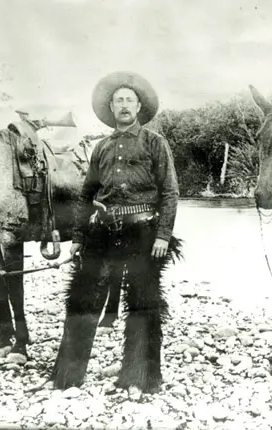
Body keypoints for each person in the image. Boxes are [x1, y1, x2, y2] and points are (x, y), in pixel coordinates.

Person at [50, 71, 180, 393]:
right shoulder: (101, 148)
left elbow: (170, 192)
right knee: (80, 300)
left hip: (144, 233)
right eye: (118, 100)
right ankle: (67, 377)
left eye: (129, 100)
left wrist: (163, 235)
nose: (123, 105)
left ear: (138, 107)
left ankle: (140, 378)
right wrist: (79, 238)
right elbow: (86, 195)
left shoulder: (155, 143)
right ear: (111, 107)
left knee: (143, 304)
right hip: (102, 231)